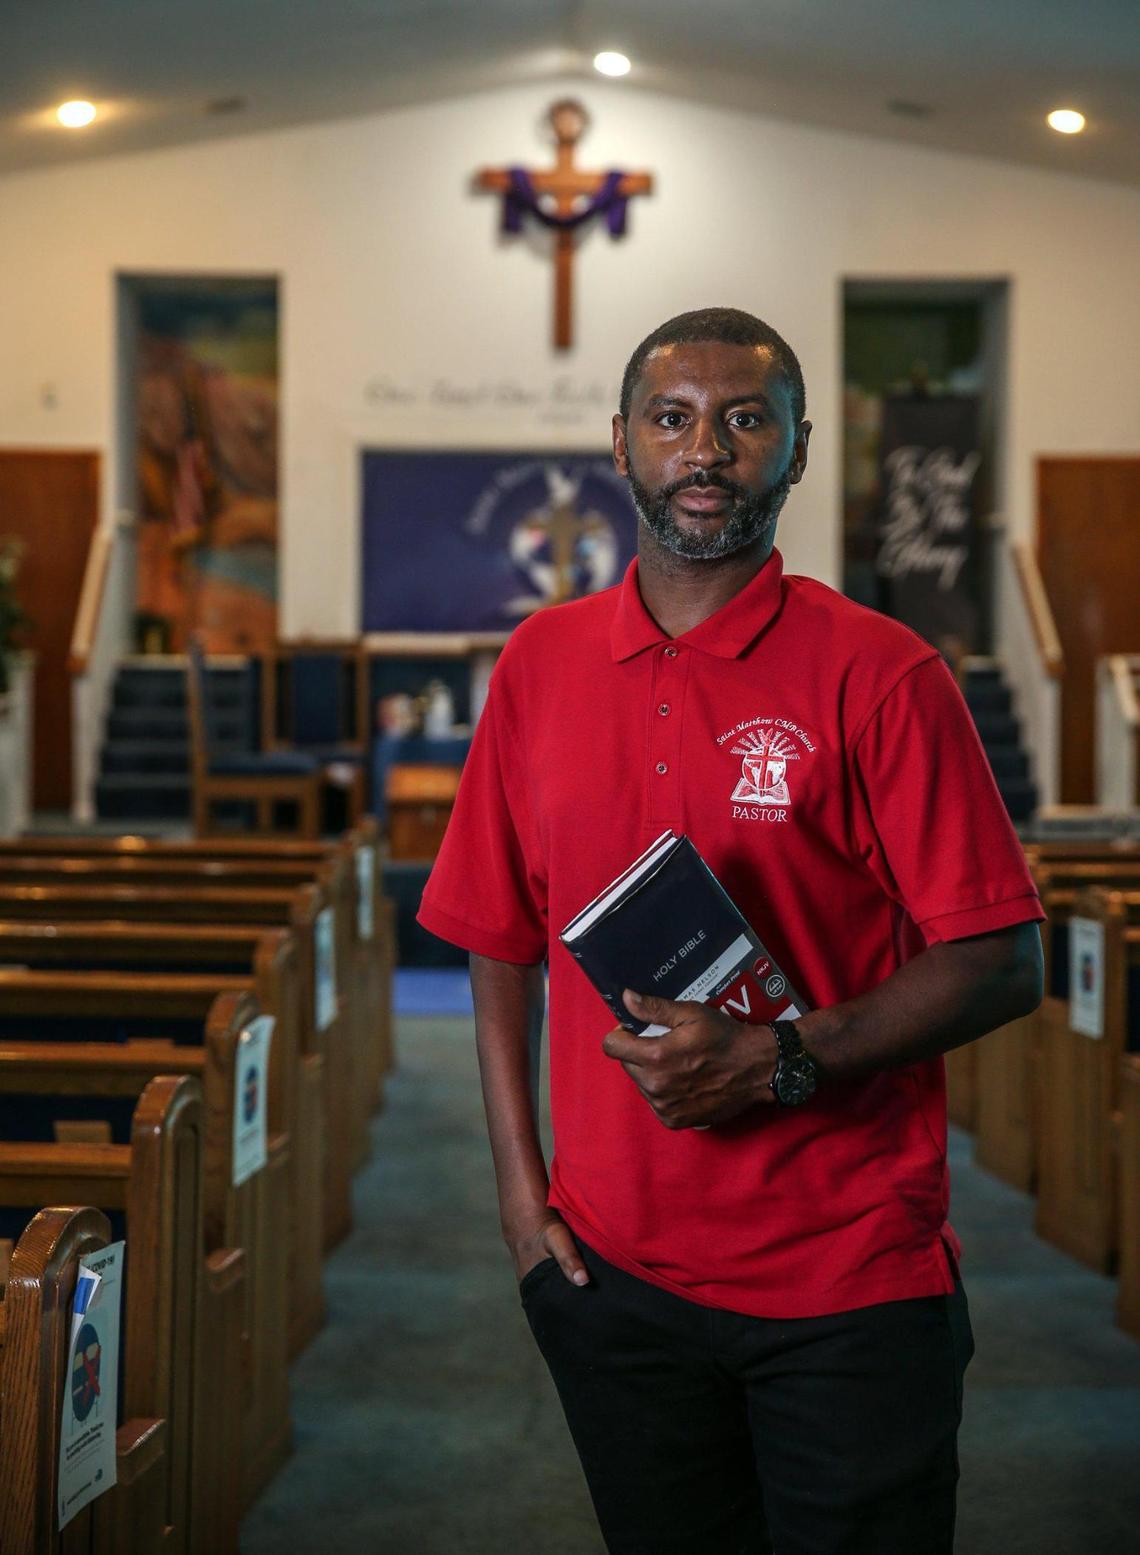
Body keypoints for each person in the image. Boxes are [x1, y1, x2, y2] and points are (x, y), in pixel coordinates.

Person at [416, 307, 1045, 1555]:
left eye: (747, 419)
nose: (706, 449)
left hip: (848, 1280)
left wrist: (785, 1055)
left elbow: (1000, 957)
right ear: (621, 445)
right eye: (673, 418)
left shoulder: (885, 672)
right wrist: (519, 1198)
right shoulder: (538, 666)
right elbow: (498, 934)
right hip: (611, 1278)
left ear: (798, 451)